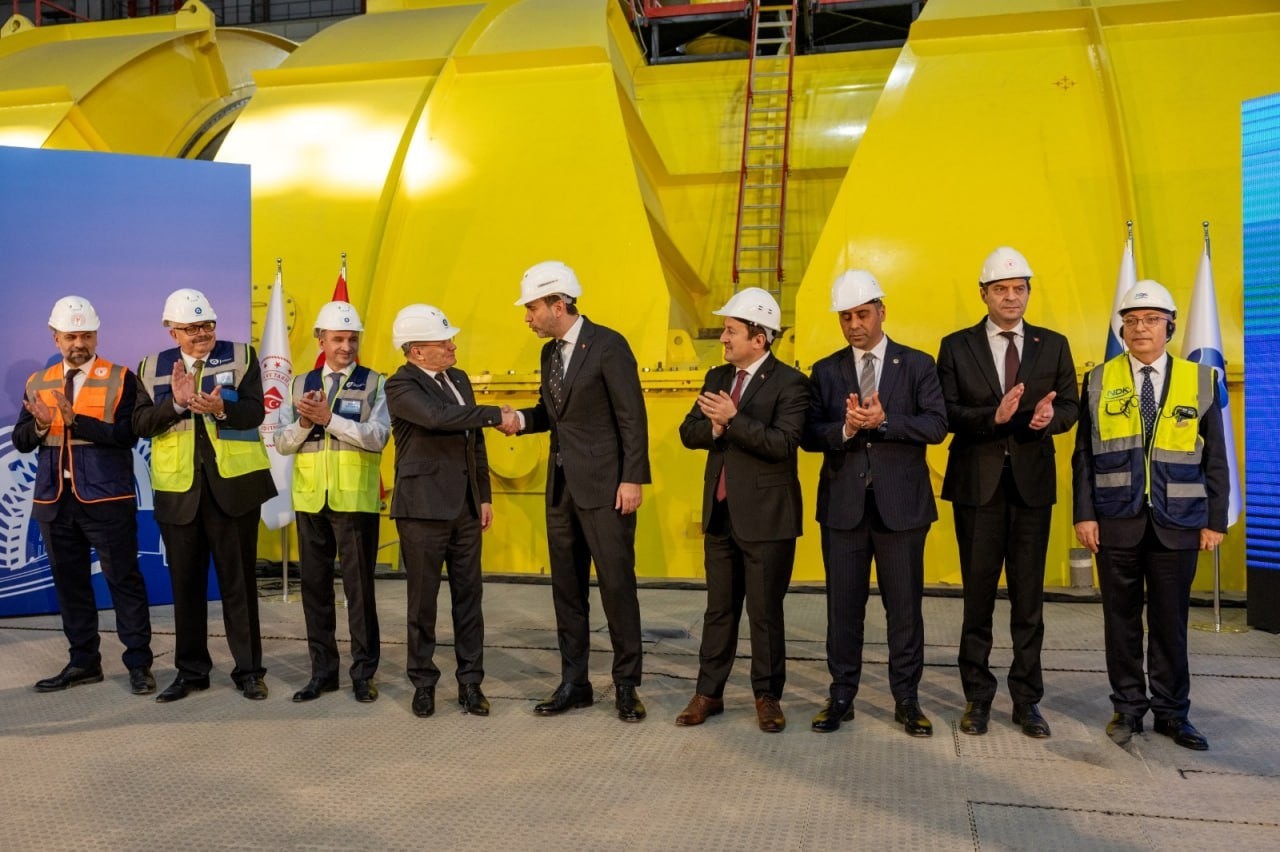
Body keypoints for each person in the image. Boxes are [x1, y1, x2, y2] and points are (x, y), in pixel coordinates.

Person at [1073, 279, 1227, 751]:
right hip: (1115, 520)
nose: (1141, 328)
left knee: (1170, 624)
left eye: (1152, 320)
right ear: (1122, 329)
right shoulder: (1098, 380)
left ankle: (1173, 713)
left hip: (1179, 523)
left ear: (1170, 327)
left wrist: (1215, 520)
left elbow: (1215, 457)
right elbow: (1083, 455)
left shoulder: (1200, 380)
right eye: (1132, 320)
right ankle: (1127, 709)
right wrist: (1084, 515)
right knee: (1120, 622)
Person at [936, 247, 1079, 738]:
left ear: (1029, 293)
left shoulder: (1053, 345)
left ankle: (1027, 700)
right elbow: (945, 412)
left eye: (1019, 289)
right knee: (977, 599)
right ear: (984, 294)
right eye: (1001, 289)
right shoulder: (956, 346)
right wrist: (991, 418)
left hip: (1031, 487)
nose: (1011, 297)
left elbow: (1070, 406)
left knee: (1028, 600)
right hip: (977, 488)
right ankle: (977, 698)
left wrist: (1048, 421)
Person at [802, 270, 948, 736]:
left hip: (900, 509)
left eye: (862, 314)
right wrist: (845, 429)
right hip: (843, 509)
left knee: (903, 610)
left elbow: (936, 425)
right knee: (842, 610)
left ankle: (907, 699)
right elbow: (809, 434)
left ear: (882, 312)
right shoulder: (825, 370)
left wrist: (885, 423)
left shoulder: (918, 364)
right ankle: (841, 696)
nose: (854, 325)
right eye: (845, 317)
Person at [506, 260, 651, 723]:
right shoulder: (548, 355)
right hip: (562, 490)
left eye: (532, 308)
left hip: (607, 489)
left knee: (616, 587)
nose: (527, 317)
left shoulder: (608, 346)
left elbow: (632, 416)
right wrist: (521, 420)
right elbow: (554, 414)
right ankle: (575, 683)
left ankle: (626, 685)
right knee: (567, 591)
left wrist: (632, 479)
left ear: (558, 304)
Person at [133, 288, 276, 702]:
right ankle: (192, 672)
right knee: (186, 587)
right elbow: (140, 424)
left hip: (234, 489)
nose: (202, 333)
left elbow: (256, 412)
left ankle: (249, 671)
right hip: (180, 492)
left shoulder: (241, 356)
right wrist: (176, 405)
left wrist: (220, 410)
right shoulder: (150, 368)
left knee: (239, 585)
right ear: (173, 331)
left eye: (207, 325)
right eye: (192, 327)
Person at [676, 288, 807, 733]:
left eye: (731, 331)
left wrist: (733, 420)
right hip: (721, 514)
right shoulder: (716, 376)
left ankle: (767, 697)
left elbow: (783, 443)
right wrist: (714, 429)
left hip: (768, 517)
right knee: (719, 610)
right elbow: (688, 431)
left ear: (759, 338)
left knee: (765, 614)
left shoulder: (791, 383)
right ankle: (708, 693)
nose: (724, 338)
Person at [14, 296, 154, 695]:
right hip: (55, 502)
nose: (80, 343)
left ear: (96, 335)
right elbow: (23, 441)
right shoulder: (38, 382)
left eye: (87, 335)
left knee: (124, 581)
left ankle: (139, 664)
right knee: (70, 584)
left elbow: (128, 435)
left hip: (107, 500)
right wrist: (41, 426)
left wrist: (78, 422)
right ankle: (83, 662)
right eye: (71, 336)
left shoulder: (122, 378)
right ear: (55, 337)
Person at [385, 304, 516, 718]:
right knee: (423, 602)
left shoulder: (458, 379)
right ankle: (423, 683)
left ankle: (471, 683)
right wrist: (496, 414)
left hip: (464, 507)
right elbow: (437, 417)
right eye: (444, 342)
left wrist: (484, 495)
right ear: (416, 351)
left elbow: (474, 441)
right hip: (422, 510)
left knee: (469, 598)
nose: (453, 347)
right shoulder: (400, 385)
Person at [275, 302, 389, 704]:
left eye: (352, 339)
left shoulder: (375, 382)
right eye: (338, 339)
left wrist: (329, 420)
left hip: (355, 500)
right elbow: (281, 442)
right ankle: (322, 673)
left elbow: (378, 436)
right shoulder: (298, 384)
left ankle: (363, 673)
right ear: (320, 339)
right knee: (315, 590)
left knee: (359, 591)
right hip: (310, 499)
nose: (346, 346)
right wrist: (305, 423)